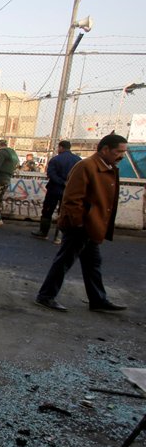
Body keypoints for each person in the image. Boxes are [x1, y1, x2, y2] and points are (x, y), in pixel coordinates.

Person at [34, 134, 127, 313]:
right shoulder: (87, 166)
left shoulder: (106, 167)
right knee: (65, 261)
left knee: (92, 263)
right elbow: (72, 198)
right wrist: (78, 224)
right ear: (105, 149)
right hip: (81, 226)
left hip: (91, 225)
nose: (121, 155)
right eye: (118, 151)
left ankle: (98, 299)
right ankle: (45, 296)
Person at [33, 140, 81, 239]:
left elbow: (51, 174)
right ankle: (59, 236)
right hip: (69, 191)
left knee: (47, 210)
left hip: (54, 189)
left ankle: (43, 232)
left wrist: (61, 181)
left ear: (61, 148)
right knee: (64, 212)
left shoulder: (55, 159)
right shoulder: (78, 160)